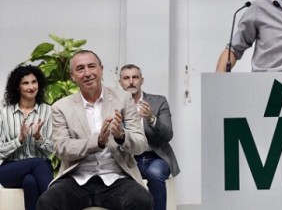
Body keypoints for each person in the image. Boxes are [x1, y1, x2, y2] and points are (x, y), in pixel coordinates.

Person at [37, 50, 152, 210]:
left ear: (101, 69)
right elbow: (61, 148)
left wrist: (121, 135)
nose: (87, 73)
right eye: (80, 69)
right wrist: (96, 142)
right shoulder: (61, 107)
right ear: (72, 76)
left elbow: (140, 145)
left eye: (92, 66)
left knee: (142, 200)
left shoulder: (123, 98)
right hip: (76, 178)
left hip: (116, 177)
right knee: (47, 202)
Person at [119, 63, 180, 210]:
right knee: (118, 179)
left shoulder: (159, 102)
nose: (131, 82)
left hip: (156, 157)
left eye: (135, 77)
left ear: (142, 80)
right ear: (120, 82)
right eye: (126, 78)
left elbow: (168, 134)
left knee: (155, 173)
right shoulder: (115, 104)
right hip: (129, 158)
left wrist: (152, 118)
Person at [0, 65, 53, 210]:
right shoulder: (4, 113)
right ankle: (58, 204)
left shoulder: (48, 111)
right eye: (25, 83)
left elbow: (50, 152)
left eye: (34, 82)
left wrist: (38, 137)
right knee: (36, 163)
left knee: (30, 181)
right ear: (17, 87)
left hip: (40, 169)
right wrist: (19, 140)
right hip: (9, 170)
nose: (31, 87)